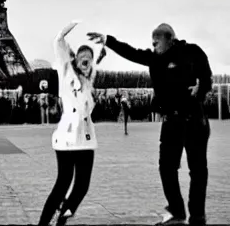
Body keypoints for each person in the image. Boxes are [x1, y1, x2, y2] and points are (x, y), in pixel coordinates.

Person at [88, 24, 212, 226]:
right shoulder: (155, 58)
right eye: (152, 42)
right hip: (171, 121)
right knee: (166, 168)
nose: (153, 45)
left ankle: (197, 216)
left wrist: (202, 87)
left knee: (197, 170)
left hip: (194, 120)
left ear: (169, 38)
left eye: (156, 42)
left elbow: (207, 77)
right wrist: (108, 40)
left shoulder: (192, 52)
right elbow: (131, 52)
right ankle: (177, 211)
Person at [39, 21, 106, 226]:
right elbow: (59, 45)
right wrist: (64, 32)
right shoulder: (67, 71)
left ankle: (62, 218)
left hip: (86, 137)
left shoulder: (89, 81)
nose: (86, 61)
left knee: (82, 186)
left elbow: (92, 70)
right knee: (63, 183)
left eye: (89, 59)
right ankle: (43, 223)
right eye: (82, 58)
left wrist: (100, 54)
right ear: (76, 59)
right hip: (68, 136)